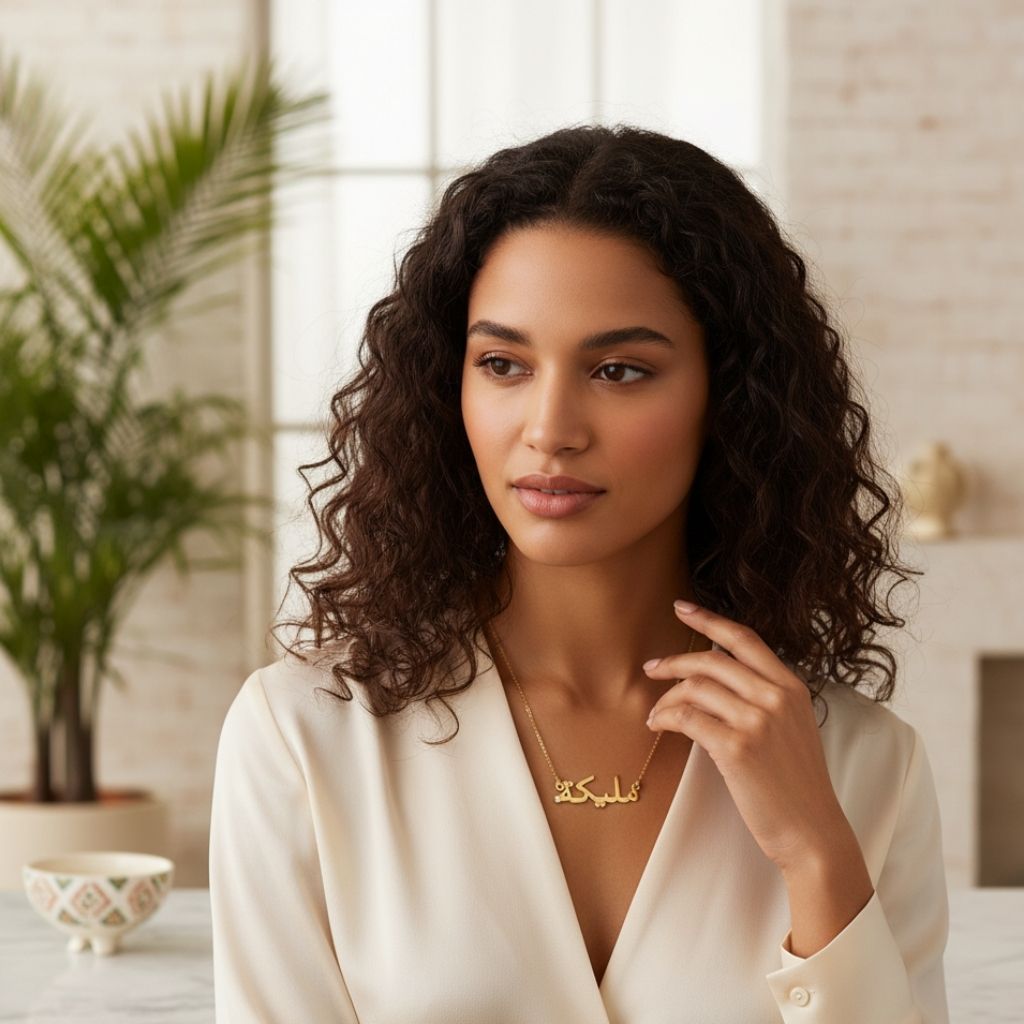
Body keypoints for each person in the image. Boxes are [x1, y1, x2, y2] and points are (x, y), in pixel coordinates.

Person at [209, 123, 950, 1023]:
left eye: (619, 369)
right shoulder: (307, 740)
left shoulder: (863, 766)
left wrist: (816, 856)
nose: (550, 425)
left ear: (732, 397)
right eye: (502, 365)